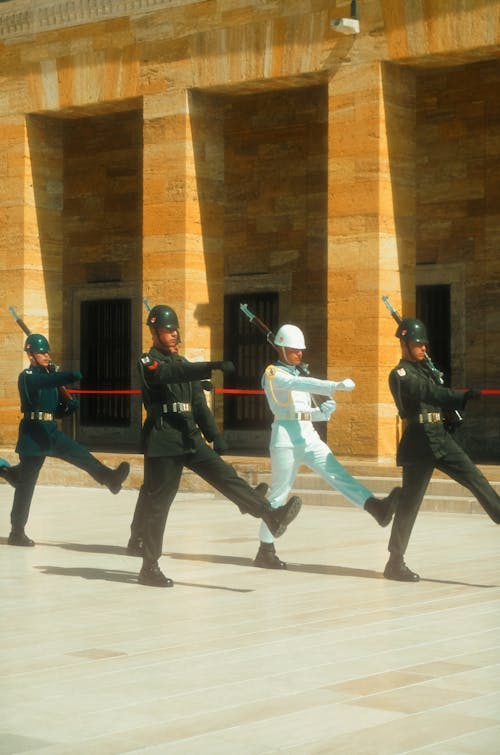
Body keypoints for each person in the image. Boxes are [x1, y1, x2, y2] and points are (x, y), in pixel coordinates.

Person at [134, 304, 303, 587]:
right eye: (167, 330)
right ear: (154, 332)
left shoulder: (183, 365)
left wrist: (215, 435)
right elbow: (166, 375)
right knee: (159, 505)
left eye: (176, 329)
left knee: (227, 477)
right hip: (163, 440)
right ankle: (149, 566)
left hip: (189, 436)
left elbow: (198, 405)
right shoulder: (148, 362)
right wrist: (208, 367)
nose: (174, 334)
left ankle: (270, 514)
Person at [254, 324, 401, 569]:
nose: (299, 354)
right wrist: (333, 386)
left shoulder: (298, 374)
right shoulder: (272, 373)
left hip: (308, 434)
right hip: (285, 438)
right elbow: (296, 387)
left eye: (301, 350)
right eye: (293, 350)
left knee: (337, 473)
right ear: (280, 348)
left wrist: (322, 413)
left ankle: (376, 508)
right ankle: (265, 549)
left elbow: (303, 411)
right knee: (279, 492)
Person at [384, 317, 500, 582]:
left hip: (439, 437)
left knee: (474, 477)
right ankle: (395, 562)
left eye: (425, 344)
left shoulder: (425, 369)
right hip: (418, 444)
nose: (424, 348)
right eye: (418, 344)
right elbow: (429, 394)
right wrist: (461, 395)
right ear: (404, 344)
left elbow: (436, 397)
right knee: (409, 505)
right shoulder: (400, 375)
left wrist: (451, 413)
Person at [3, 333, 130, 546]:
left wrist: (70, 404)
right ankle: (17, 531)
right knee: (26, 485)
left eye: (47, 352)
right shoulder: (28, 376)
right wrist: (68, 375)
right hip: (33, 434)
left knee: (80, 454)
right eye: (41, 352)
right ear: (31, 355)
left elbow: (58, 410)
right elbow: (44, 382)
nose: (46, 355)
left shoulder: (51, 378)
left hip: (50, 431)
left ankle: (110, 478)